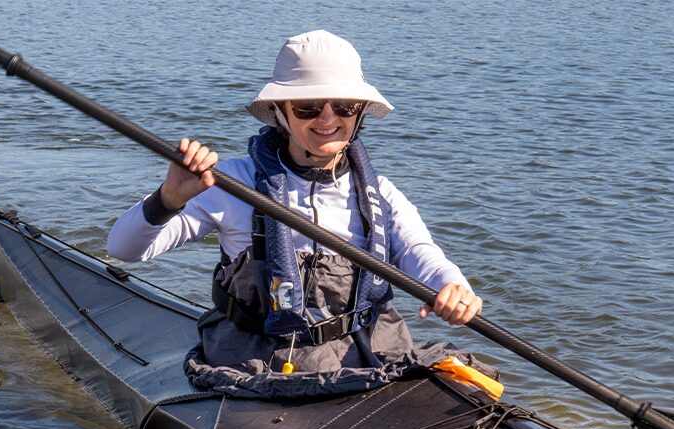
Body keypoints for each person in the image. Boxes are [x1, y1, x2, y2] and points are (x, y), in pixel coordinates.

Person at [107, 30, 494, 397]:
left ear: (358, 113)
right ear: (281, 112)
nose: (327, 119)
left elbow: (419, 252)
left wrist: (453, 287)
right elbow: (124, 249)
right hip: (254, 358)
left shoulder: (380, 193)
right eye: (308, 107)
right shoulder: (229, 184)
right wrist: (168, 198)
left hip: (368, 351)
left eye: (343, 106)